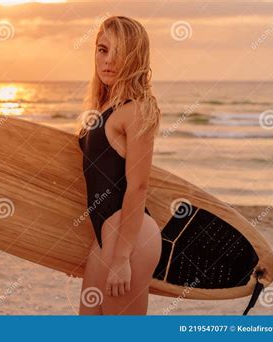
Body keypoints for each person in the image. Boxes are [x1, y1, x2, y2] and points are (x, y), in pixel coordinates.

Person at [77, 16, 162, 315]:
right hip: (106, 239)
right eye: (102, 50)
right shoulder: (102, 107)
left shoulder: (136, 109)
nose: (108, 60)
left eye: (120, 52)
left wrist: (122, 257)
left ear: (135, 57)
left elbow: (138, 186)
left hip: (131, 240)